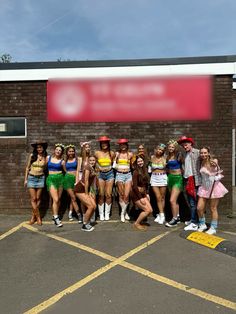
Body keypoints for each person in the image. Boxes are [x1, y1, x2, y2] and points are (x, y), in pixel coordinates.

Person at [197, 147, 228, 235]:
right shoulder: (201, 162)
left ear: (208, 153)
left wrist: (215, 165)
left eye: (205, 153)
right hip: (204, 187)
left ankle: (213, 227)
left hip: (214, 187)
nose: (203, 154)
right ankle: (202, 224)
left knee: (213, 208)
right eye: (202, 153)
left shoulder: (213, 161)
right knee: (199, 208)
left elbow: (215, 166)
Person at [177, 136, 201, 231]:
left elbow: (208, 158)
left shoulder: (198, 152)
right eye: (183, 145)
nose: (184, 146)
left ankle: (195, 222)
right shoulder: (184, 154)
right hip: (187, 179)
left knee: (193, 202)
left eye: (186, 144)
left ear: (191, 143)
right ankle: (194, 220)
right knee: (191, 202)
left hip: (194, 180)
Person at [24, 140, 48, 225]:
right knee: (33, 199)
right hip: (31, 178)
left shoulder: (46, 157)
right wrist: (25, 179)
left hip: (41, 178)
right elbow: (27, 168)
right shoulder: (32, 155)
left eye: (40, 147)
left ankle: (33, 217)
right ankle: (37, 217)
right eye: (37, 147)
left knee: (38, 198)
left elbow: (45, 168)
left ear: (43, 148)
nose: (39, 149)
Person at [75, 155, 97, 232]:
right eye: (90, 160)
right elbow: (86, 180)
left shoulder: (93, 168)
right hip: (80, 189)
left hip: (86, 189)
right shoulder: (87, 167)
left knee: (94, 206)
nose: (92, 162)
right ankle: (84, 224)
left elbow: (91, 182)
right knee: (90, 206)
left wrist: (91, 191)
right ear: (88, 161)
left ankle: (87, 222)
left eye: (93, 160)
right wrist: (87, 193)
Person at [131, 154, 153, 231]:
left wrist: (147, 194)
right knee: (147, 210)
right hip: (136, 195)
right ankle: (136, 223)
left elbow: (146, 184)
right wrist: (140, 198)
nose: (140, 162)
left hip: (143, 193)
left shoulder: (145, 170)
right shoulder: (136, 172)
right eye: (138, 161)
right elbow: (134, 186)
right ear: (136, 163)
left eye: (141, 161)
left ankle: (139, 222)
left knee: (150, 210)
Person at [95, 136, 115, 221]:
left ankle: (107, 214)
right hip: (100, 175)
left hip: (110, 174)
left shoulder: (112, 153)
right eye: (102, 143)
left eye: (105, 143)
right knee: (101, 194)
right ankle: (101, 214)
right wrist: (98, 168)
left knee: (108, 194)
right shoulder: (97, 153)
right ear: (100, 144)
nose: (104, 144)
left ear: (108, 143)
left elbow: (114, 163)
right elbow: (94, 162)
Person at [113, 138, 133, 222]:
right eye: (121, 145)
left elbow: (133, 166)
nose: (123, 146)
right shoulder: (117, 154)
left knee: (126, 195)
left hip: (128, 175)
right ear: (119, 146)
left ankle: (123, 212)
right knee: (121, 195)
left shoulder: (130, 154)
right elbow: (113, 165)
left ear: (127, 145)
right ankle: (124, 213)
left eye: (124, 144)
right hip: (119, 175)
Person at [165, 140, 184, 227]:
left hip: (178, 178)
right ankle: (178, 216)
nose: (171, 148)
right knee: (175, 200)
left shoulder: (179, 155)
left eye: (172, 147)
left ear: (175, 147)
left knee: (172, 200)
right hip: (170, 178)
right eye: (169, 147)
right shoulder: (167, 156)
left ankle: (174, 219)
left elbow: (184, 165)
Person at [46, 143, 65, 227]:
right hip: (51, 179)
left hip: (60, 179)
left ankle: (55, 216)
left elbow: (66, 171)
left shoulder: (62, 161)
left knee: (58, 199)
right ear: (54, 150)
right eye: (57, 149)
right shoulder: (48, 158)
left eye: (60, 150)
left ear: (61, 152)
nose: (58, 151)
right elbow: (43, 167)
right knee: (56, 199)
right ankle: (56, 217)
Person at [150, 144, 167, 224]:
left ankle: (161, 215)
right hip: (154, 178)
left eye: (161, 150)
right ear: (156, 149)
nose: (159, 151)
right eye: (159, 149)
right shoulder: (152, 157)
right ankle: (161, 214)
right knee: (158, 197)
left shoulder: (165, 158)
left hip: (162, 177)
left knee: (162, 197)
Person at [63, 144, 81, 222]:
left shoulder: (77, 160)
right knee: (73, 197)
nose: (71, 153)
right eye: (69, 151)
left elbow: (78, 170)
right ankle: (79, 215)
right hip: (68, 179)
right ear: (67, 152)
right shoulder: (64, 161)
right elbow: (65, 171)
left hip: (76, 179)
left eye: (72, 151)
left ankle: (70, 213)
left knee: (73, 198)